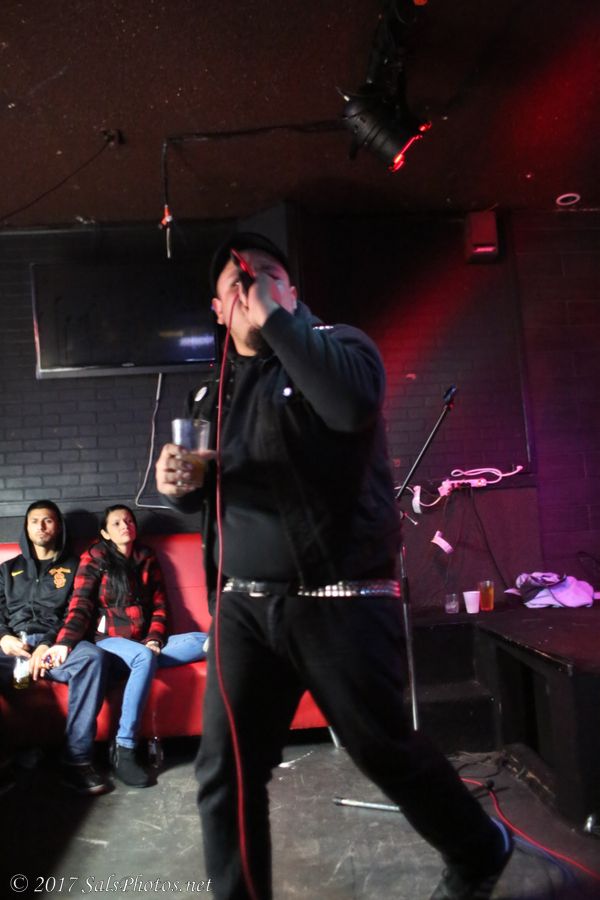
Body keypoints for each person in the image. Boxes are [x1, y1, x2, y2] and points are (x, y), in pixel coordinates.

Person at [155, 233, 514, 900]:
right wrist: (179, 486)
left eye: (268, 276)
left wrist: (277, 321)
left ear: (292, 293)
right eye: (238, 284)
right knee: (225, 772)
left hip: (341, 598)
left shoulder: (341, 347)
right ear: (218, 310)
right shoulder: (210, 398)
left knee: (381, 749)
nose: (252, 289)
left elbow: (349, 406)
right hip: (244, 609)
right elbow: (213, 493)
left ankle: (479, 848)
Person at [48, 504, 207, 788]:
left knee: (204, 641)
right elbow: (80, 605)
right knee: (143, 658)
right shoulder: (95, 557)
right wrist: (65, 643)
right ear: (105, 533)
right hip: (107, 641)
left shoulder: (146, 556)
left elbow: (160, 606)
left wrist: (154, 639)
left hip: (143, 642)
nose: (125, 526)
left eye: (129, 521)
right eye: (117, 523)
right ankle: (125, 747)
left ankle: (127, 666)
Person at [0, 500, 109, 795]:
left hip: (57, 647)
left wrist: (49, 643)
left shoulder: (76, 567)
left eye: (47, 520)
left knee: (93, 658)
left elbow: (76, 613)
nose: (41, 526)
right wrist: (3, 637)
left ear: (58, 526)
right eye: (34, 521)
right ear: (26, 527)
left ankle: (77, 761)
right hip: (13, 649)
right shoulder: (7, 569)